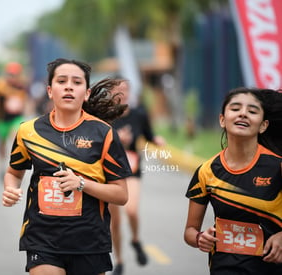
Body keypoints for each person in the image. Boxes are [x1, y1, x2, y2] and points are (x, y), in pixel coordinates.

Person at [2, 58, 131, 275]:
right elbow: (13, 173)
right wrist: (10, 188)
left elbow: (121, 194)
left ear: (87, 93)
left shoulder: (103, 133)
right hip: (42, 240)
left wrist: (81, 183)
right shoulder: (28, 131)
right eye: (62, 81)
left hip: (89, 242)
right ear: (50, 91)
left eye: (77, 82)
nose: (69, 86)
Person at [184, 87, 282, 274]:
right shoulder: (206, 171)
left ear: (263, 125)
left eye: (252, 111)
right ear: (222, 119)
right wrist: (199, 238)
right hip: (224, 268)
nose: (243, 114)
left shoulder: (277, 167)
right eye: (235, 108)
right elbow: (190, 230)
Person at [105, 78, 165, 275]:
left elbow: (148, 135)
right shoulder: (104, 116)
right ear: (110, 93)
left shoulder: (139, 114)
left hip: (132, 169)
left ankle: (136, 239)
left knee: (131, 210)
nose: (122, 94)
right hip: (110, 171)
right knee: (114, 220)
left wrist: (156, 140)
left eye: (125, 89)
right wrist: (116, 139)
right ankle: (119, 260)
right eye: (117, 90)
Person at [0, 62, 28, 178]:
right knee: (1, 144)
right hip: (2, 119)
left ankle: (12, 166)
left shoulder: (21, 86)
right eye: (10, 74)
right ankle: (2, 165)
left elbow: (24, 100)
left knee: (15, 137)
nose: (12, 77)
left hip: (16, 118)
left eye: (15, 75)